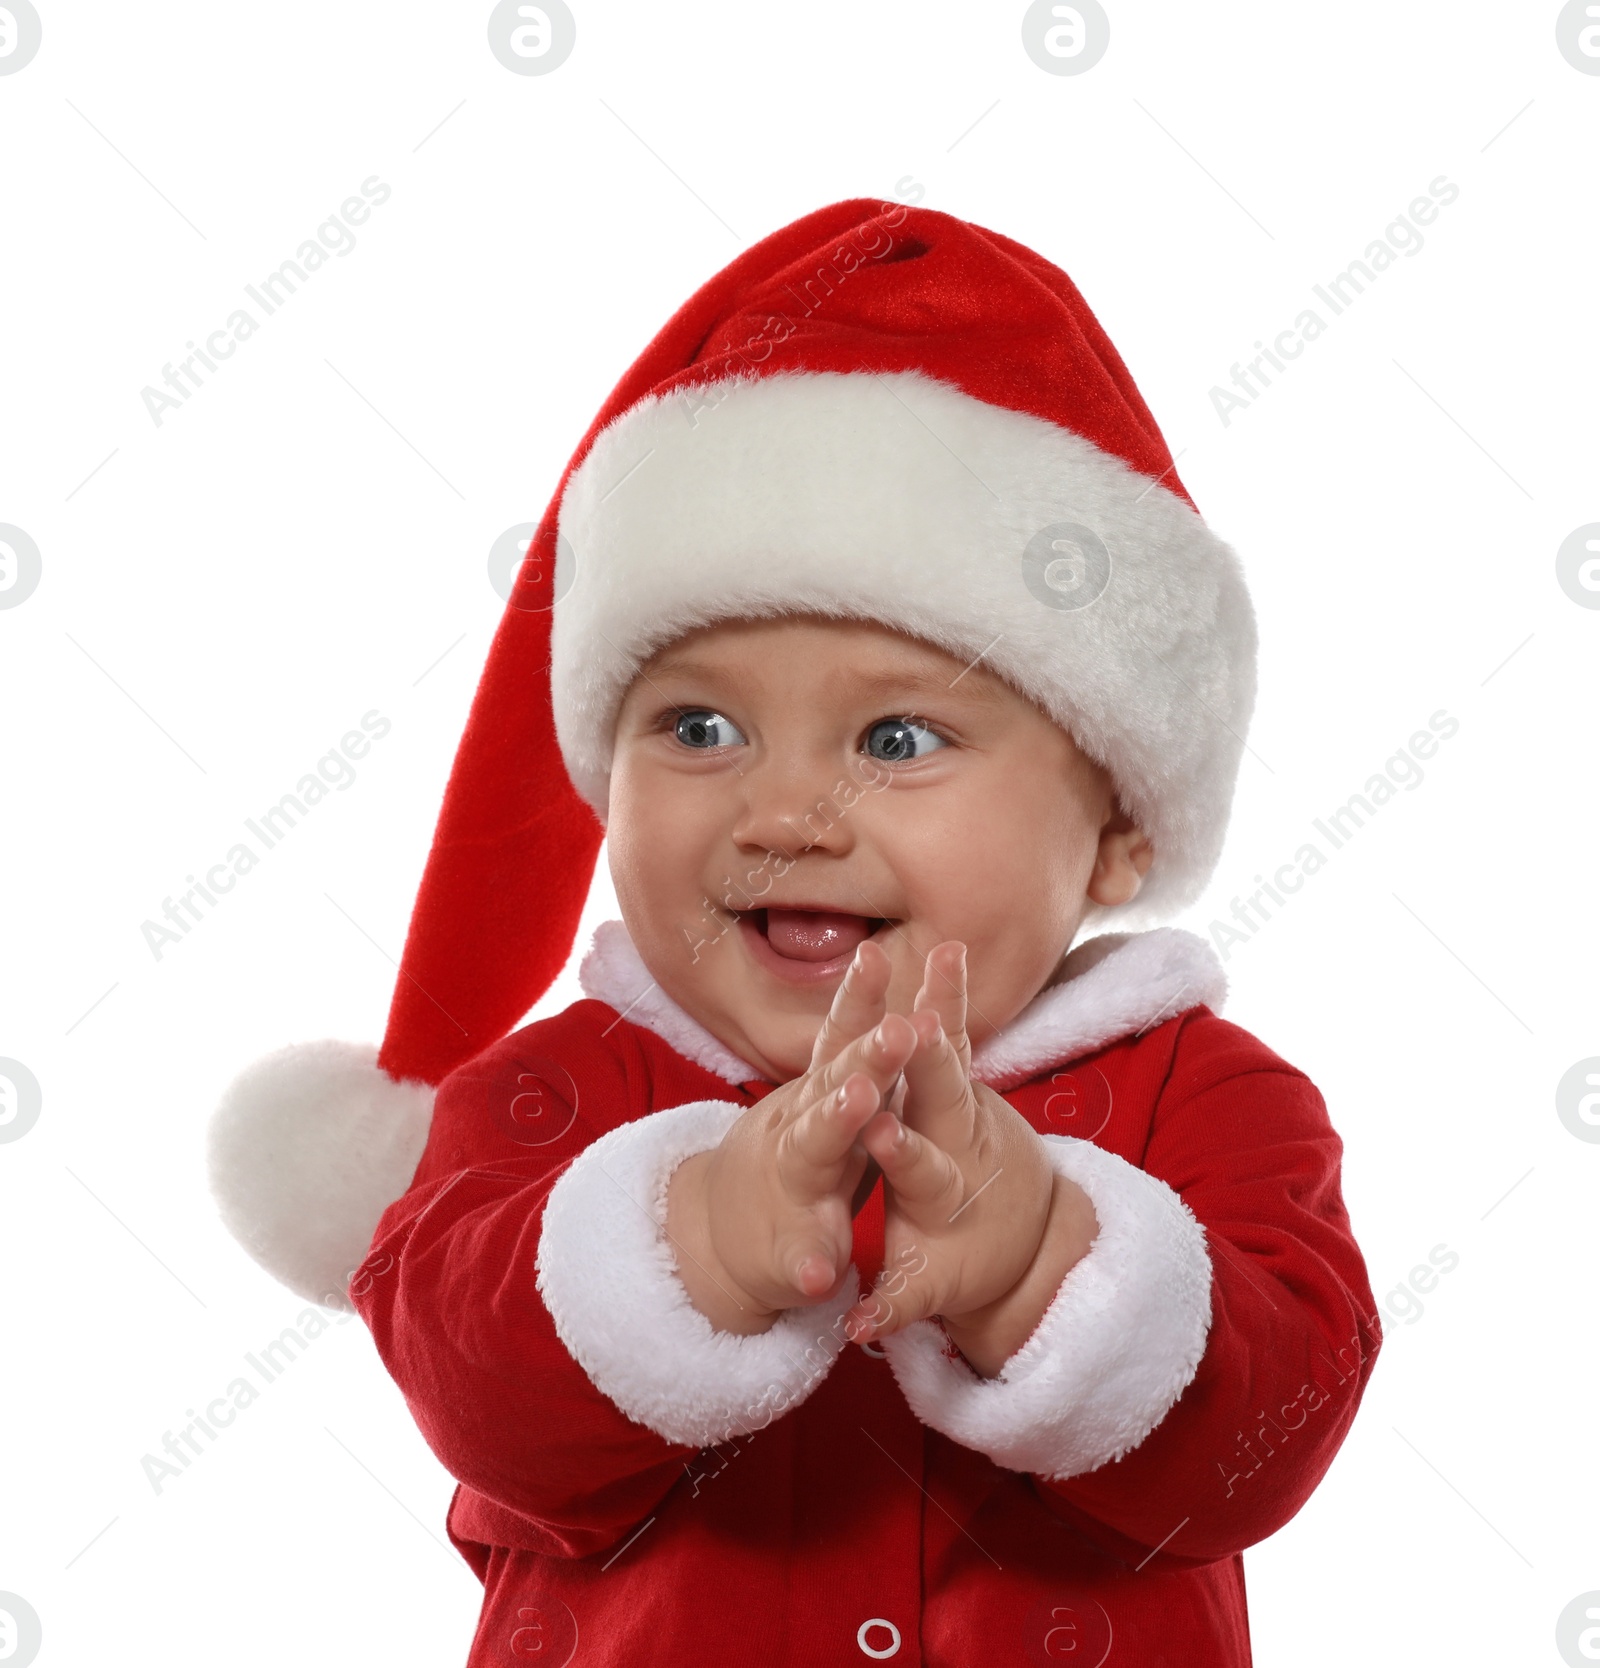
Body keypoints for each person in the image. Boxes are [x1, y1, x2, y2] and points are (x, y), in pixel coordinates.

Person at [209, 197, 1381, 1666]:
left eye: (897, 736)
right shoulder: (546, 1100)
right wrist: (683, 1236)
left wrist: (1043, 1264)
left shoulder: (1212, 1102)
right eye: (698, 726)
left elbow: (1263, 1450)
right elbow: (477, 1401)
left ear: (1122, 828)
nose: (784, 813)